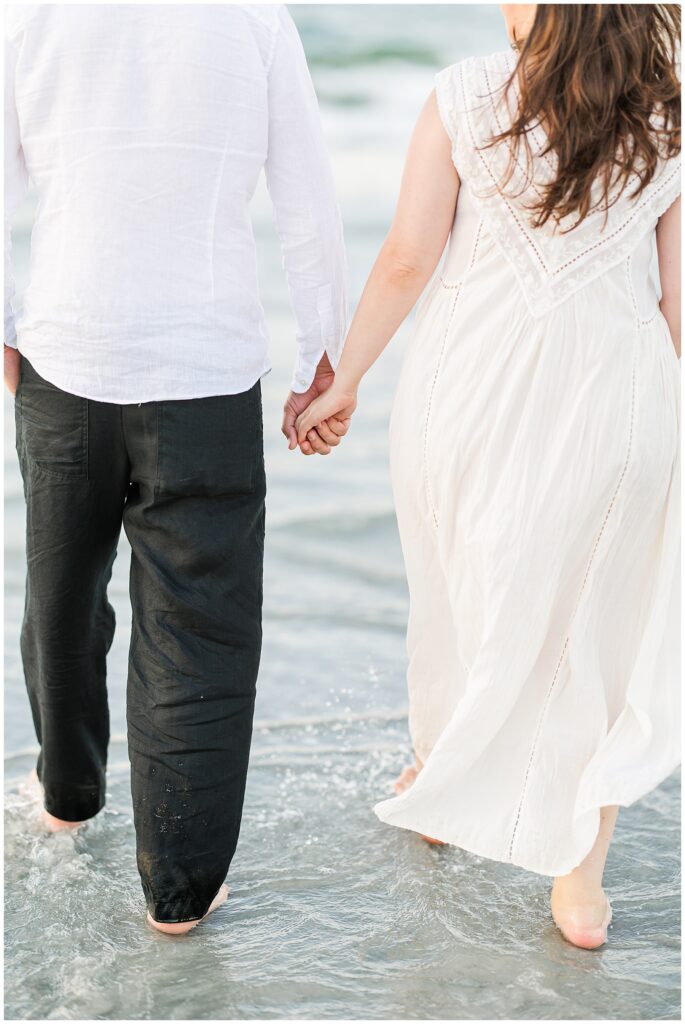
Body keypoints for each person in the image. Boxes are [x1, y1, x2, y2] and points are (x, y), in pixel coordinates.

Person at [295, 3, 681, 950]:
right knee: (596, 620)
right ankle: (577, 885)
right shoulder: (669, 115)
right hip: (623, 400)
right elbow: (677, 297)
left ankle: (441, 781)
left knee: (458, 583)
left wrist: (339, 383)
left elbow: (405, 259)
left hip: (471, 389)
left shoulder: (467, 94)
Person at [4, 4, 347, 934]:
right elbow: (307, 200)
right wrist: (326, 352)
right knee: (198, 632)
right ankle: (179, 895)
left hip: (66, 356)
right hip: (206, 369)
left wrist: (3, 325)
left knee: (60, 593)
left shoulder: (29, 15)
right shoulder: (253, 19)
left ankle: (67, 798)